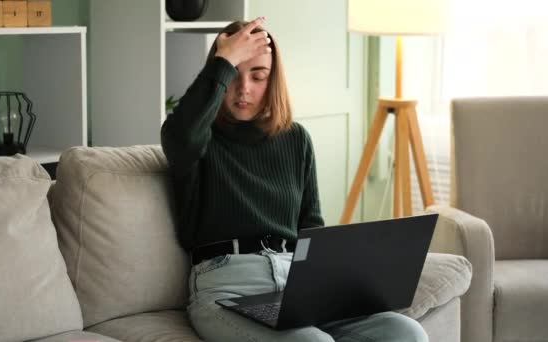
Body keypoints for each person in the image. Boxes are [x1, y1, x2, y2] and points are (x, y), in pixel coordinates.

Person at [161, 17, 428, 342]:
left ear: (272, 80)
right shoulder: (200, 140)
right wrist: (224, 59)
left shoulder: (296, 139)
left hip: (295, 283)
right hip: (226, 286)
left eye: (258, 76)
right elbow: (178, 136)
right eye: (233, 74)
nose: (243, 88)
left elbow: (311, 228)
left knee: (404, 332)